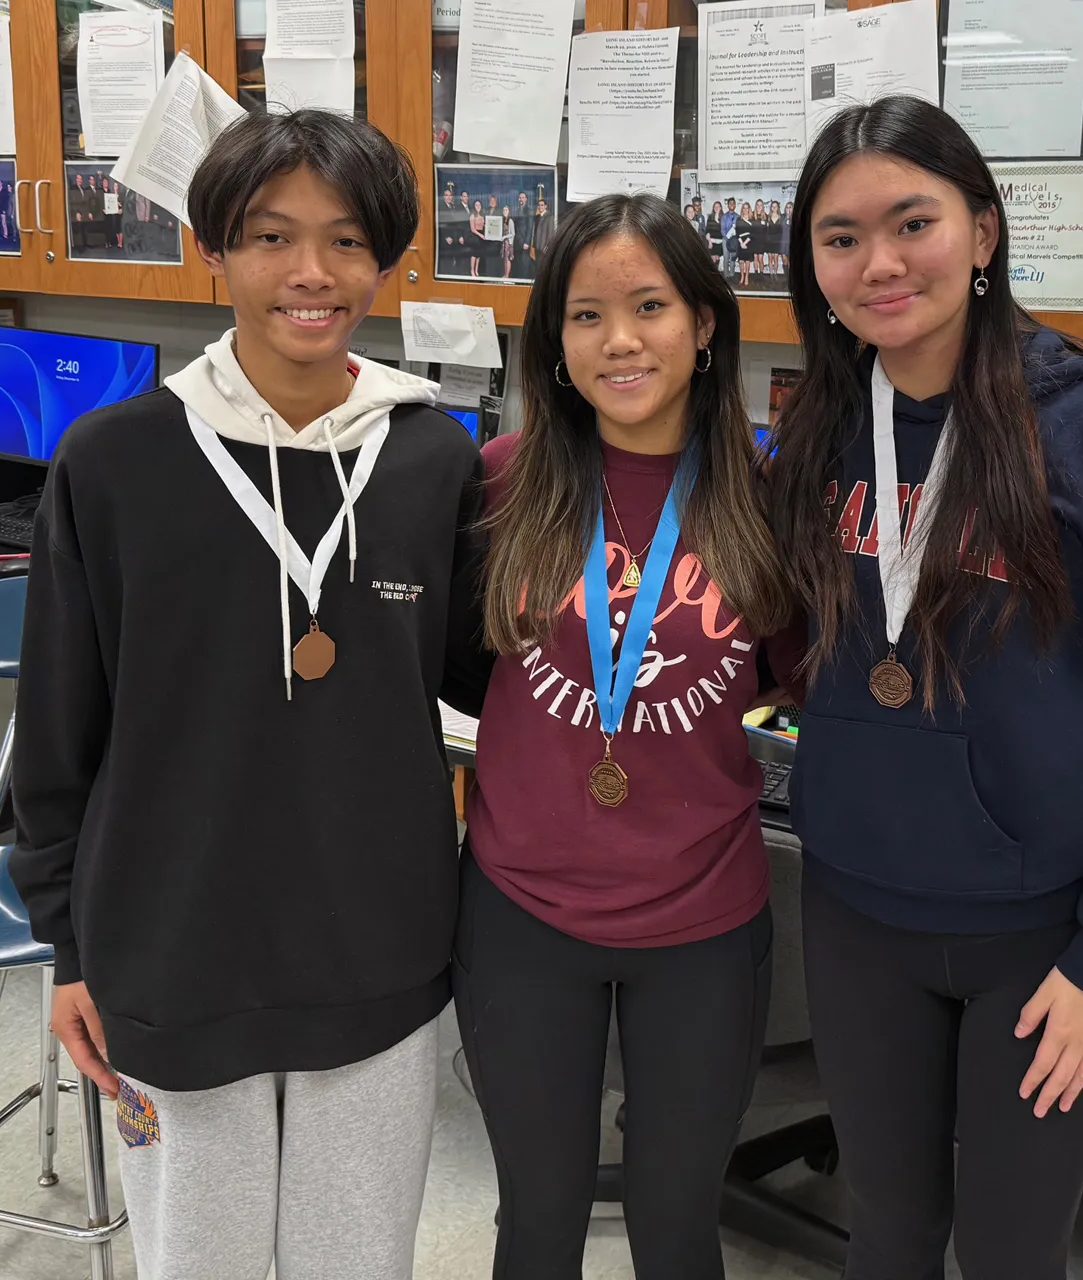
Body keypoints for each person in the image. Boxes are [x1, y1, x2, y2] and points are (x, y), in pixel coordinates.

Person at [9, 108, 488, 1280]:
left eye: (344, 241)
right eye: (271, 236)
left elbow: (479, 676)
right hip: (173, 946)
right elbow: (60, 724)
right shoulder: (114, 462)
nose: (311, 273)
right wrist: (69, 944)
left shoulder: (433, 457)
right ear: (214, 249)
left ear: (385, 260)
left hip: (377, 940)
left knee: (358, 1257)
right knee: (199, 1258)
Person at [764, 96, 1083, 1279]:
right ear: (813, 262)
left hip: (1040, 942)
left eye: (914, 220)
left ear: (985, 231)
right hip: (857, 915)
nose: (882, 261)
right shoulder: (812, 431)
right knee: (890, 1234)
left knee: (1012, 1252)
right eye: (841, 236)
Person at [460, 192, 792, 1280]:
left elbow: (798, 683)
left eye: (649, 305)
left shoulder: (768, 492)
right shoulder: (499, 482)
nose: (619, 340)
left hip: (702, 918)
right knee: (537, 1220)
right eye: (586, 314)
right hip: (522, 913)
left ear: (704, 323)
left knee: (678, 1224)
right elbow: (451, 665)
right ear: (553, 342)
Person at [469, 197, 486, 278]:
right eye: (476, 205)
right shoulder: (472, 216)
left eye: (479, 205)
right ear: (474, 206)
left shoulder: (482, 215)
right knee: (474, 254)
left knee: (479, 255)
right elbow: (472, 229)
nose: (478, 206)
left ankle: (476, 270)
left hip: (482, 235)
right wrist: (481, 235)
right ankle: (472, 270)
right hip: (475, 236)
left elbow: (485, 225)